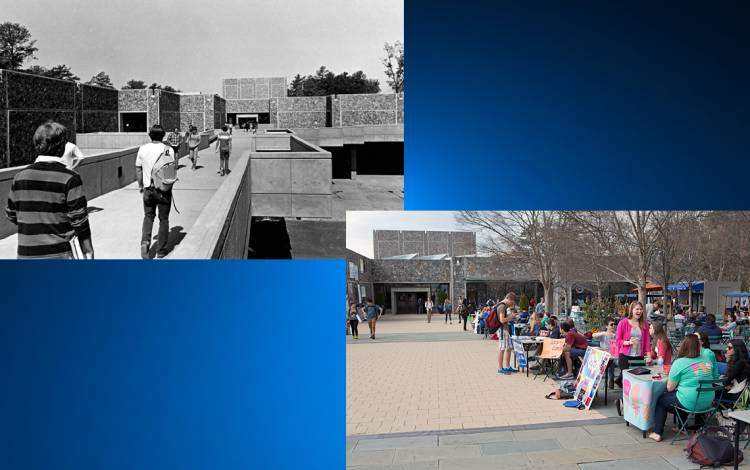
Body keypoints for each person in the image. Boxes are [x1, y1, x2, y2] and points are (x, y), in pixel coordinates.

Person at [5, 121, 94, 259]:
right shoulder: (70, 178)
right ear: (62, 147)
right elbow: (79, 220)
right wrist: (88, 251)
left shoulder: (19, 177)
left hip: (25, 255)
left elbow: (11, 214)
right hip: (59, 254)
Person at [648, 334, 716, 442]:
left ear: (684, 346)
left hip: (690, 401)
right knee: (681, 395)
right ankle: (682, 427)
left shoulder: (679, 362)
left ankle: (657, 432)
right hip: (708, 401)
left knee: (662, 400)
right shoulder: (706, 359)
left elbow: (670, 388)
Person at [136, 124, 175, 259]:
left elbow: (138, 170)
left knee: (148, 217)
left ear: (150, 135)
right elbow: (170, 171)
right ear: (163, 135)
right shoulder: (168, 150)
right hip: (163, 191)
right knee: (163, 219)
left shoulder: (142, 149)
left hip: (148, 189)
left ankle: (145, 243)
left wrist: (141, 186)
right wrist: (167, 187)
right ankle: (160, 251)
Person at [614, 301, 650, 387]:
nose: (639, 311)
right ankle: (624, 398)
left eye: (641, 309)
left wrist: (649, 355)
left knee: (638, 381)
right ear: (631, 310)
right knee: (628, 381)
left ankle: (620, 380)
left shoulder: (644, 323)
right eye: (637, 309)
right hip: (625, 356)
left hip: (639, 356)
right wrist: (628, 342)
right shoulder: (623, 323)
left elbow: (647, 340)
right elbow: (618, 340)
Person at [496, 292, 518, 375]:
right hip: (502, 330)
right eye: (511, 302)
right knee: (502, 348)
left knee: (509, 347)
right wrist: (511, 317)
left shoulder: (503, 306)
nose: (511, 304)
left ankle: (507, 366)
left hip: (505, 330)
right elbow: (502, 320)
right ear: (509, 299)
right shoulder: (502, 306)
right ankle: (500, 368)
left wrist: (511, 317)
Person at [593, 318, 617, 388]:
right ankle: (610, 380)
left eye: (614, 324)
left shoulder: (615, 335)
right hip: (604, 357)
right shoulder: (603, 335)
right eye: (611, 324)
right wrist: (603, 333)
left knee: (620, 362)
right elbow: (593, 335)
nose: (613, 326)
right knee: (609, 361)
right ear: (606, 326)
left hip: (614, 356)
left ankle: (614, 379)